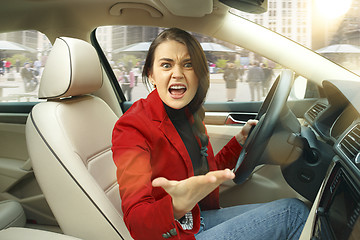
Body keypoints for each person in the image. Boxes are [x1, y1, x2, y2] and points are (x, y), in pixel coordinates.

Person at [112, 28, 309, 240]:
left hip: (196, 220)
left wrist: (239, 142)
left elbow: (205, 171)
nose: (177, 73)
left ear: (198, 73)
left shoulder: (189, 114)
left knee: (294, 206)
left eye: (188, 65)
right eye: (166, 65)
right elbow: (136, 221)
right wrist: (175, 206)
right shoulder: (132, 127)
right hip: (172, 235)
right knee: (294, 215)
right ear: (151, 74)